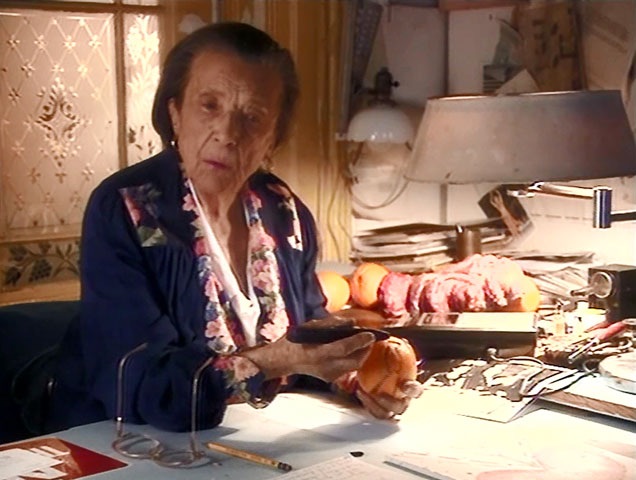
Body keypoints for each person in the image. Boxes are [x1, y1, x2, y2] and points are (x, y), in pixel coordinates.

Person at [45, 22, 422, 434]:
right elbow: (141, 383)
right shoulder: (125, 208)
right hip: (124, 441)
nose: (227, 133)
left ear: (273, 137)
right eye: (209, 105)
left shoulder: (285, 211)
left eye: (253, 118)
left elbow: (310, 340)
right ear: (175, 112)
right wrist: (271, 361)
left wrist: (359, 379)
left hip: (252, 441)